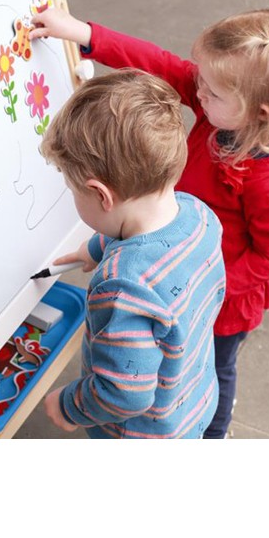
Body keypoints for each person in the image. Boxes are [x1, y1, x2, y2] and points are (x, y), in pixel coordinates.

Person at [31, 7, 269, 439]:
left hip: (217, 299)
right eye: (198, 79)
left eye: (210, 90)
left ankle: (211, 435)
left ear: (258, 112)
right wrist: (86, 33)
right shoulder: (218, 106)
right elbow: (159, 62)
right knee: (175, 369)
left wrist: (200, 279)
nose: (196, 90)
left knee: (212, 368)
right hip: (174, 255)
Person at [40, 68, 226, 439]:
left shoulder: (122, 285)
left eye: (72, 190)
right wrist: (95, 247)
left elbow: (125, 392)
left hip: (143, 435)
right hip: (194, 398)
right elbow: (147, 239)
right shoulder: (198, 215)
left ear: (101, 195)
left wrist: (69, 405)